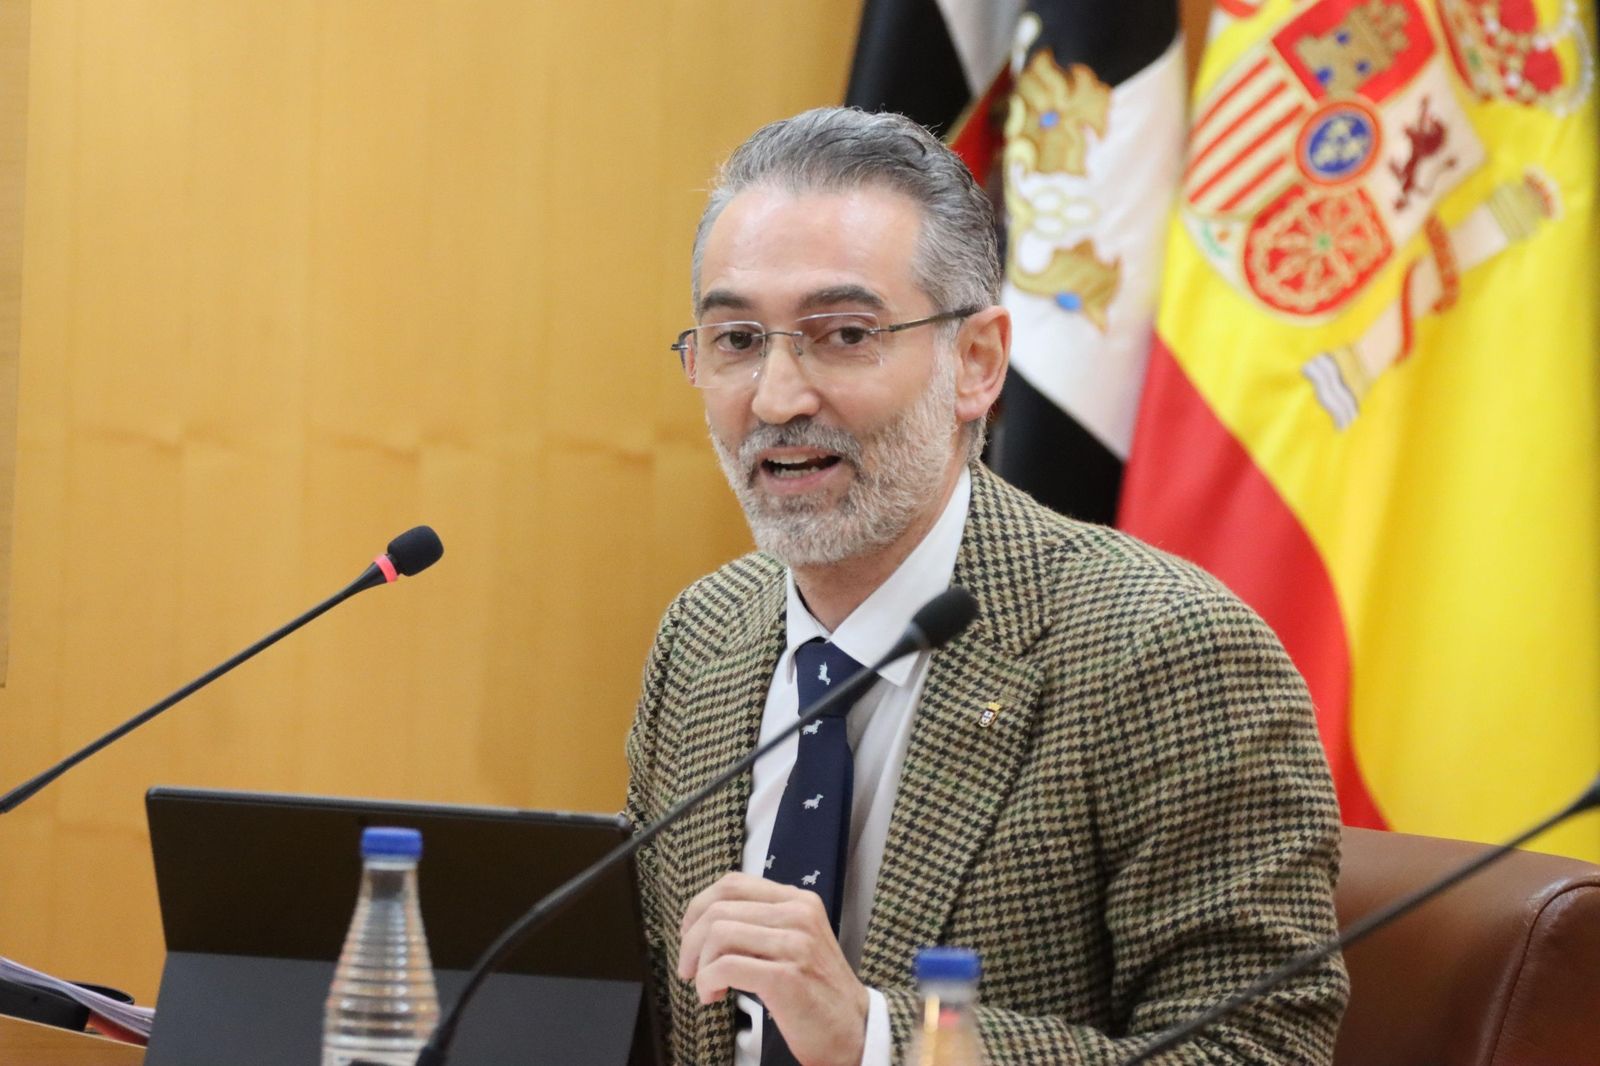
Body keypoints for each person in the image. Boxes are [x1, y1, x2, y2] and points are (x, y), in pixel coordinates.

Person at [625, 107, 1348, 1066]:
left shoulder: (1166, 651)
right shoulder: (702, 639)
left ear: (976, 362)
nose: (777, 398)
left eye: (842, 335)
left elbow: (1258, 1052)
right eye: (736, 341)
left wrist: (880, 1042)